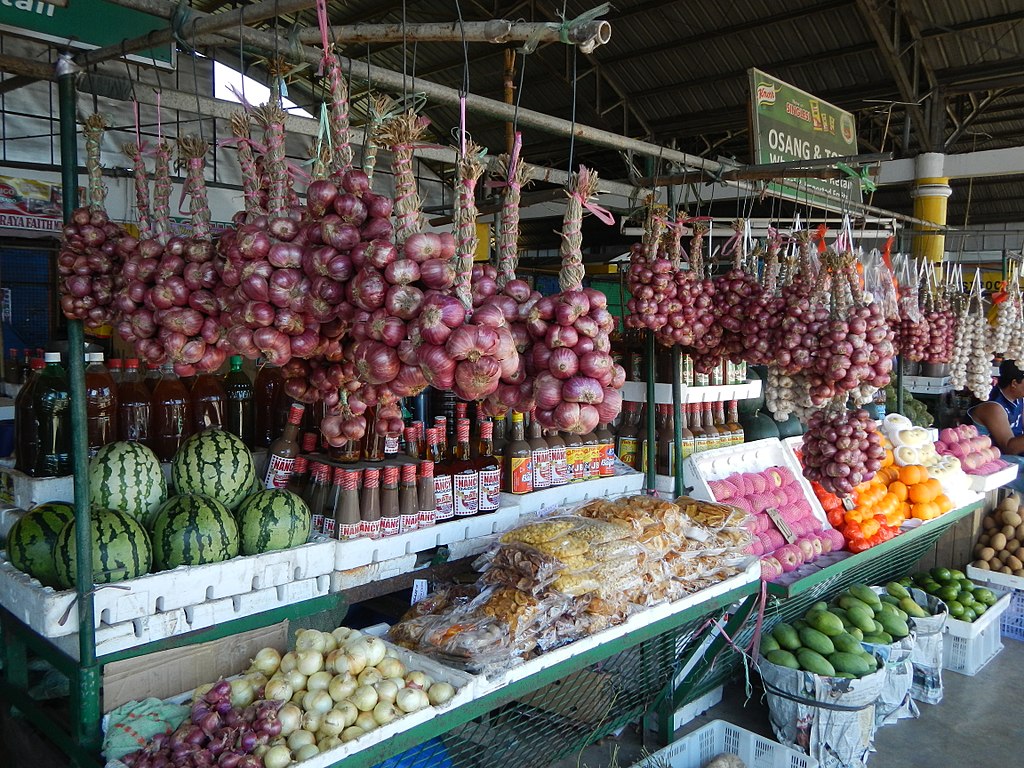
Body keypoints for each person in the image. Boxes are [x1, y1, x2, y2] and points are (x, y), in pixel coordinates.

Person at [969, 359, 1024, 491]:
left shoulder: (1018, 398)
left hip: (1012, 456)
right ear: (1014, 383)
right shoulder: (994, 407)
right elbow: (1009, 448)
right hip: (985, 460)